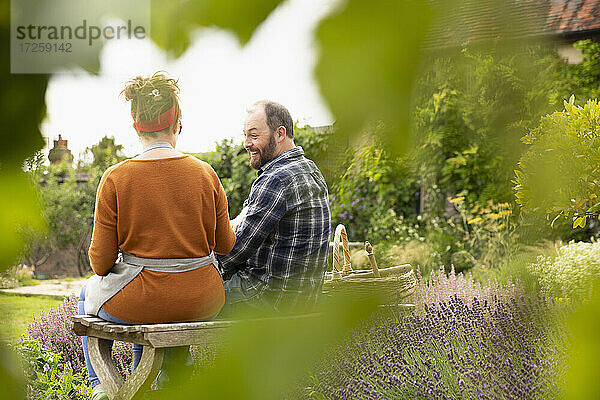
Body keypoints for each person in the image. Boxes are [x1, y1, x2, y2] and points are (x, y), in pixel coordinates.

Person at [78, 72, 236, 400]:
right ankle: (168, 385)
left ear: (135, 124)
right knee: (166, 304)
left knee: (88, 294)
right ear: (177, 122)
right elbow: (226, 245)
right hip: (202, 300)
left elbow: (100, 264)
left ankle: (101, 388)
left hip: (140, 300)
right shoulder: (206, 174)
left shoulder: (115, 178)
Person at [218, 100, 331, 314]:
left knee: (180, 301)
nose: (246, 143)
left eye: (254, 135)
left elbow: (232, 253)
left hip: (268, 299)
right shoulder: (310, 169)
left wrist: (192, 260)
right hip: (300, 299)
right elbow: (245, 222)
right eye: (245, 135)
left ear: (279, 134)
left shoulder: (277, 178)